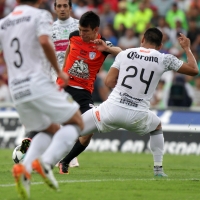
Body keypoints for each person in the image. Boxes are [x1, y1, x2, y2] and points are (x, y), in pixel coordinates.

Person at [79, 28, 199, 176]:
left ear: (142, 39)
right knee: (157, 126)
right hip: (138, 115)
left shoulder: (125, 53)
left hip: (112, 109)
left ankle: (49, 156)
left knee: (73, 128)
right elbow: (194, 70)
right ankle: (158, 170)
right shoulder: (164, 58)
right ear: (160, 46)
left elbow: (108, 82)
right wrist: (187, 47)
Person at [0, 0, 84, 198]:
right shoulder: (41, 16)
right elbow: (45, 42)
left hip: (16, 89)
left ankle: (24, 170)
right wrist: (59, 72)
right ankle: (45, 163)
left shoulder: (3, 23)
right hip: (38, 82)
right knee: (77, 122)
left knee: (50, 129)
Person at [56, 11, 122, 174]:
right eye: (80, 30)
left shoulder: (104, 45)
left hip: (84, 93)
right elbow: (68, 52)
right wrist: (62, 73)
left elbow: (123, 53)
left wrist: (107, 48)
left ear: (95, 30)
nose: (81, 33)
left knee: (88, 132)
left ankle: (65, 161)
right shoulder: (73, 36)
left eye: (85, 31)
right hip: (63, 88)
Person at [25, 0, 80, 168]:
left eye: (65, 6)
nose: (62, 9)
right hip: (53, 76)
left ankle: (65, 155)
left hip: (76, 75)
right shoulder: (48, 28)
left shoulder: (80, 26)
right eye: (59, 6)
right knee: (58, 116)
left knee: (71, 115)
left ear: (70, 8)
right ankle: (61, 156)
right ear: (55, 8)